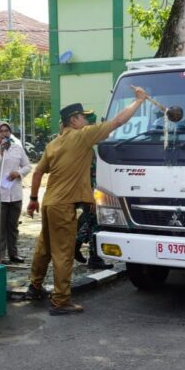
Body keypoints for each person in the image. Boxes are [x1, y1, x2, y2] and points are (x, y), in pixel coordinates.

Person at [25, 87, 148, 314]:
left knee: (44, 248)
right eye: (83, 116)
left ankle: (34, 287)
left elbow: (37, 173)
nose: (85, 120)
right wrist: (139, 101)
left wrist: (32, 199)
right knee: (63, 253)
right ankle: (61, 301)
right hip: (63, 207)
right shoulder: (83, 136)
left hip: (49, 203)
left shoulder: (53, 144)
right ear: (74, 120)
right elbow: (118, 121)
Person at [0, 120, 31, 264]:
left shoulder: (17, 148)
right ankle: (0, 256)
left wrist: (19, 173)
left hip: (15, 193)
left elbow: (27, 165)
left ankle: (13, 254)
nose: (5, 133)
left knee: (13, 226)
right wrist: (1, 153)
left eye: (7, 130)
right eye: (1, 131)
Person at [73, 113, 112, 270]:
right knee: (94, 222)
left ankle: (83, 250)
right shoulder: (85, 150)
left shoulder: (86, 147)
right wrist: (91, 197)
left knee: (91, 221)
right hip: (86, 193)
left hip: (86, 192)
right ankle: (89, 254)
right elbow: (86, 176)